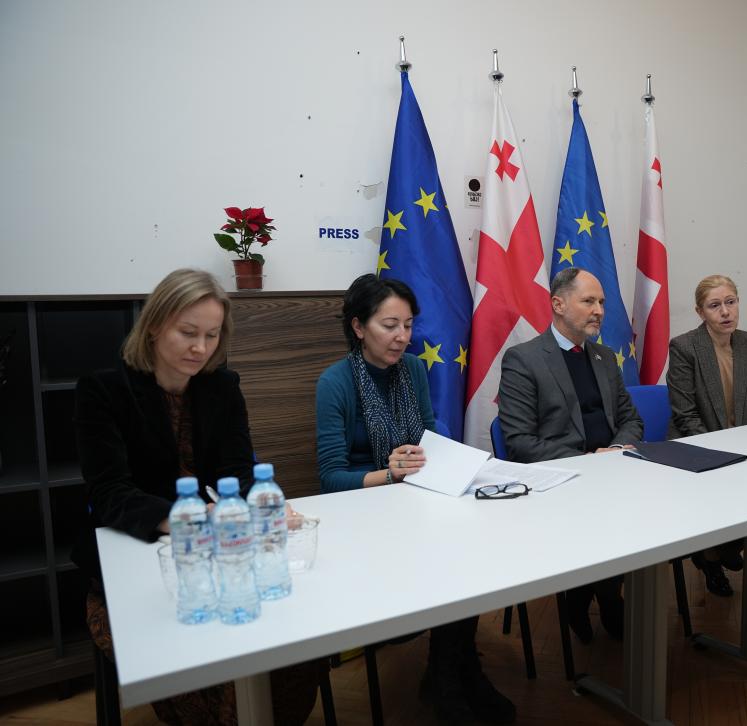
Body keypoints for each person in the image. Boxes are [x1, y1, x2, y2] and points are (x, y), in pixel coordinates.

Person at [73, 268, 320, 725]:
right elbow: (109, 492)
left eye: (211, 335)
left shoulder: (222, 387)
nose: (200, 348)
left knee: (293, 640)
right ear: (153, 326)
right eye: (188, 333)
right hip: (142, 555)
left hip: (223, 554)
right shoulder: (104, 391)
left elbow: (238, 473)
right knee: (207, 659)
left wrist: (267, 503)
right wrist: (184, 519)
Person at [315, 273, 514, 724]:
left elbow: (428, 438)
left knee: (469, 551)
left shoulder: (413, 370)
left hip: (415, 502)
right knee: (448, 561)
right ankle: (450, 676)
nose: (402, 337)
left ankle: (455, 669)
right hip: (364, 516)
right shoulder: (335, 383)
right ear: (358, 327)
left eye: (407, 325)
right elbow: (330, 480)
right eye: (389, 325)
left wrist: (438, 460)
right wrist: (389, 473)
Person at [498, 267, 643, 643]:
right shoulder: (523, 359)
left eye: (602, 303)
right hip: (560, 484)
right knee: (602, 517)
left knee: (647, 511)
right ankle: (597, 595)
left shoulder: (605, 357)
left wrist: (615, 450)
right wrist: (590, 461)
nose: (599, 311)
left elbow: (630, 419)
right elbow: (519, 442)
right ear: (558, 304)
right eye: (589, 301)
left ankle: (597, 592)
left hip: (612, 474)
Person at [666, 275, 747, 597]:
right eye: (714, 305)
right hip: (695, 446)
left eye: (730, 302)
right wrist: (723, 454)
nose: (725, 312)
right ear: (700, 312)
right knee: (722, 487)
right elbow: (685, 416)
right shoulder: (685, 347)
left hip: (741, 446)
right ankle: (711, 556)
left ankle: (724, 546)